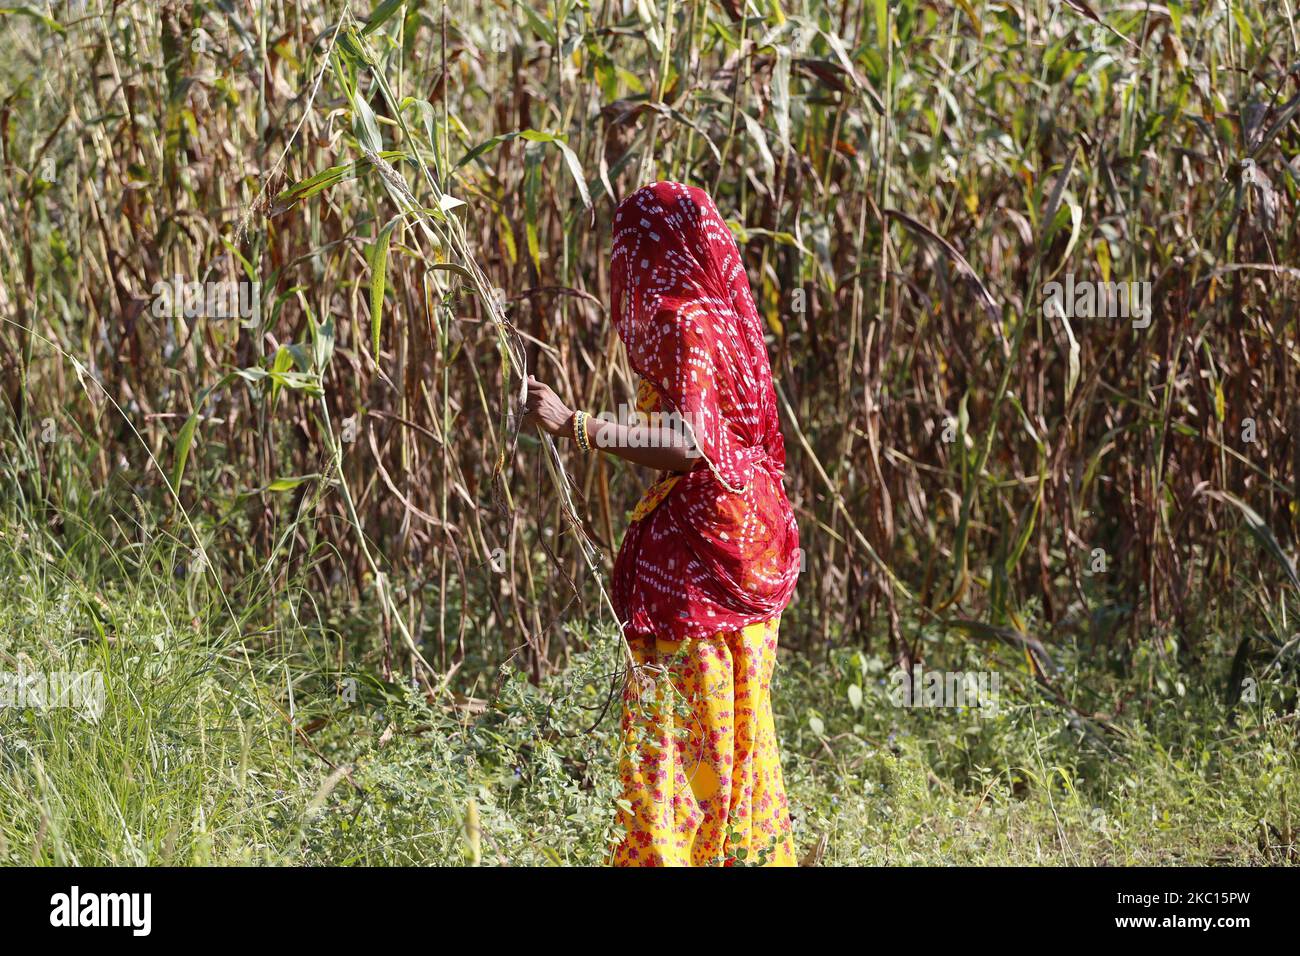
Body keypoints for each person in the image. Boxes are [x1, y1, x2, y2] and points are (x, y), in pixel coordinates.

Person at [522, 181, 801, 866]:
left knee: (683, 737)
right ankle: (746, 854)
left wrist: (575, 425)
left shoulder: (683, 322)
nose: (622, 269)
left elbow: (689, 442)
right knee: (737, 729)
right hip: (750, 537)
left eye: (627, 250)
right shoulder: (725, 316)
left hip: (702, 559)